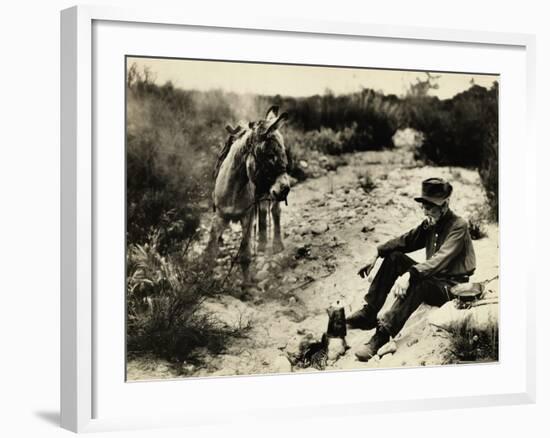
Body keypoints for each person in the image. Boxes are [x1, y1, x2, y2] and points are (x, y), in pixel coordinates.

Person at [346, 177, 476, 362]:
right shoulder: (431, 223)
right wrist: (377, 252)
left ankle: (381, 335)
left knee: (419, 281)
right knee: (394, 258)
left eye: (430, 207)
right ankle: (369, 312)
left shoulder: (459, 226)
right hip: (433, 277)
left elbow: (440, 259)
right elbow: (406, 241)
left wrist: (410, 274)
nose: (425, 211)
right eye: (423, 206)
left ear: (445, 204)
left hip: (452, 287)